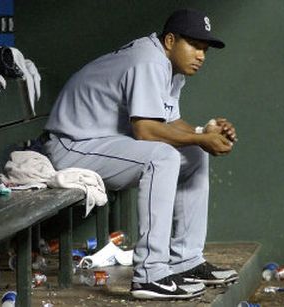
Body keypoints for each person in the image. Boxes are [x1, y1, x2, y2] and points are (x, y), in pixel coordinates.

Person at [41, 8, 239, 300]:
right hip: (70, 145)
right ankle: (150, 274)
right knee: (162, 157)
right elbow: (146, 130)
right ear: (170, 41)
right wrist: (201, 137)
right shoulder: (148, 60)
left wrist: (203, 133)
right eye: (194, 46)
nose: (201, 55)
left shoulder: (169, 66)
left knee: (194, 154)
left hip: (98, 143)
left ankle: (186, 260)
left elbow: (168, 123)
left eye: (205, 49)